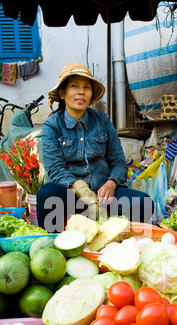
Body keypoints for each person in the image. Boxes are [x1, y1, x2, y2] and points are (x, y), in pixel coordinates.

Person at [37, 62, 154, 231]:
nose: (81, 92)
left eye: (86, 87)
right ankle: (54, 244)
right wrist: (83, 192)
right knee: (47, 194)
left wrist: (111, 184)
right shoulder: (52, 125)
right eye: (74, 86)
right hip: (72, 196)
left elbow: (119, 162)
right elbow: (55, 168)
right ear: (62, 93)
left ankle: (121, 243)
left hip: (105, 196)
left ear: (91, 94)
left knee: (143, 203)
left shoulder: (103, 121)